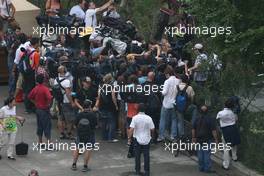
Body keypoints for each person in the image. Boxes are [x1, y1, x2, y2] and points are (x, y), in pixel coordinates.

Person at [128, 103, 155, 176]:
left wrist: (129, 138)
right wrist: (152, 137)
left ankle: (137, 171)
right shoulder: (149, 118)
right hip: (147, 139)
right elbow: (152, 129)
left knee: (137, 156)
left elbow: (131, 129)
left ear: (138, 109)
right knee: (146, 156)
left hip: (137, 139)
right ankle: (147, 171)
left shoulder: (135, 118)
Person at [71, 100, 97, 172]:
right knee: (88, 149)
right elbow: (95, 125)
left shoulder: (79, 114)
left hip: (80, 134)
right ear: (89, 106)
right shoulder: (92, 115)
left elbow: (75, 125)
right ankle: (85, 166)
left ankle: (74, 164)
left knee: (77, 148)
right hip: (90, 134)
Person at [157, 65, 181, 142]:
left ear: (167, 74)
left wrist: (159, 91)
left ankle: (161, 136)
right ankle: (173, 135)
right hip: (174, 103)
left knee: (163, 119)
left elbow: (164, 92)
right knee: (174, 119)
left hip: (166, 103)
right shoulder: (178, 81)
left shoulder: (167, 81)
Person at [192, 105, 218, 173]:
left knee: (200, 153)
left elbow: (193, 129)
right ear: (207, 111)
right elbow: (213, 131)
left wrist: (194, 137)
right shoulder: (210, 119)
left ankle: (201, 167)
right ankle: (207, 168)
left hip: (198, 139)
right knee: (207, 154)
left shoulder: (197, 118)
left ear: (200, 111)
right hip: (207, 139)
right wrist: (216, 139)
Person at [28, 74, 53, 145]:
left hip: (38, 109)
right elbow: (49, 97)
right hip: (44, 110)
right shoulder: (45, 89)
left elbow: (29, 97)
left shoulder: (35, 88)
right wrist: (48, 104)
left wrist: (35, 103)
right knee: (47, 125)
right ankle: (48, 142)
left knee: (40, 125)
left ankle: (40, 141)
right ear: (44, 80)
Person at [93, 74, 119, 142]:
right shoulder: (112, 87)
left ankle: (104, 137)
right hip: (110, 106)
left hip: (102, 106)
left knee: (104, 122)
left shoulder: (100, 86)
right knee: (112, 122)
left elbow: (98, 97)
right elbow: (113, 97)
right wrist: (116, 105)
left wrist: (96, 105)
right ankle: (111, 138)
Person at [216, 99, 241, 170]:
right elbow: (236, 119)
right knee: (234, 144)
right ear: (232, 106)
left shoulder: (220, 113)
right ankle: (234, 157)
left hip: (225, 130)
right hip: (233, 129)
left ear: (224, 105)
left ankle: (226, 165)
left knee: (226, 148)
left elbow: (218, 119)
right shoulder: (233, 113)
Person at [54, 65, 75, 140]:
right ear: (65, 71)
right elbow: (68, 93)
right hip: (66, 102)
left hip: (59, 101)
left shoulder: (56, 80)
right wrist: (72, 102)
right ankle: (69, 134)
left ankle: (61, 134)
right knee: (69, 119)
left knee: (60, 118)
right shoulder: (67, 81)